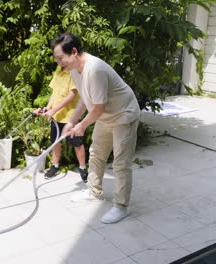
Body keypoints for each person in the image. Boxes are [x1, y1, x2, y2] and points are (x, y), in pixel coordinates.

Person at [51, 33, 140, 224]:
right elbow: (85, 97)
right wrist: (71, 122)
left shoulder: (96, 69)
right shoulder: (74, 69)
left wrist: (82, 125)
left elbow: (97, 108)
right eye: (56, 59)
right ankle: (93, 192)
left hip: (124, 114)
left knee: (120, 162)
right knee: (96, 154)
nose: (59, 63)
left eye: (60, 58)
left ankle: (120, 206)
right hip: (105, 115)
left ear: (74, 52)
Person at [40, 66, 88, 182]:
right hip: (56, 117)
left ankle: (83, 168)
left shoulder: (74, 73)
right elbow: (54, 92)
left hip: (70, 118)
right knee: (55, 142)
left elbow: (71, 96)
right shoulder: (58, 71)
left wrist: (53, 110)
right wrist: (48, 108)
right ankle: (55, 166)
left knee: (77, 143)